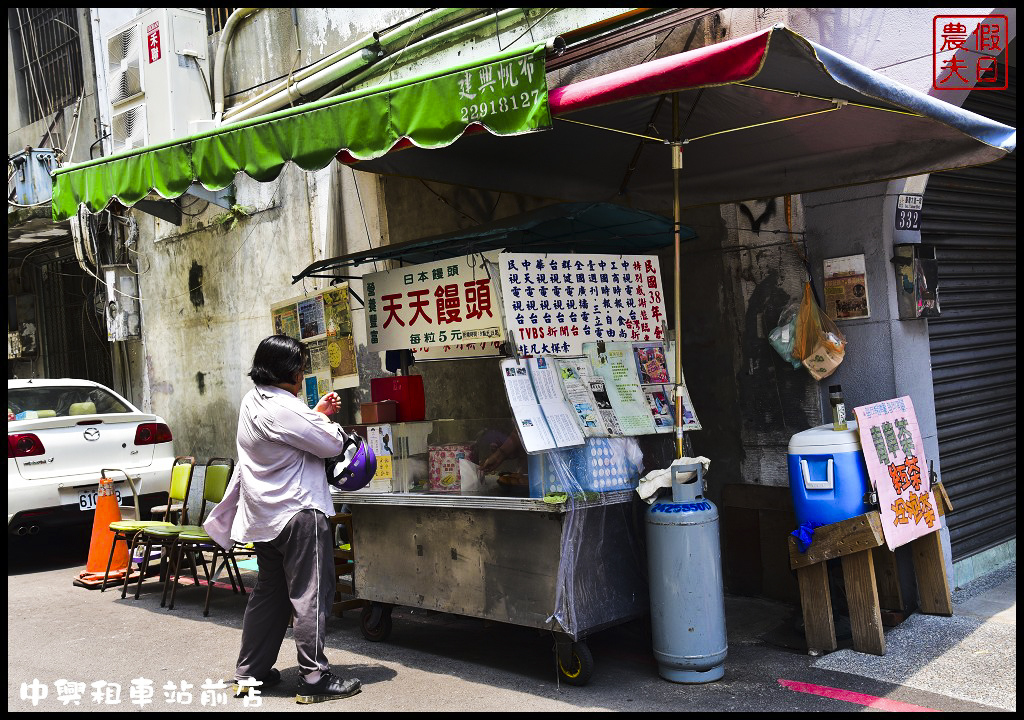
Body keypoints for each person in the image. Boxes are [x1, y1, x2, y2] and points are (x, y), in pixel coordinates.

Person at [204, 335, 360, 704]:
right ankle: (315, 677)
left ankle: (251, 672)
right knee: (310, 593)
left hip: (265, 516)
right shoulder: (284, 408)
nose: (302, 371)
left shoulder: (252, 401)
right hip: (298, 513)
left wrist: (314, 415)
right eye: (300, 366)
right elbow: (331, 444)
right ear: (290, 371)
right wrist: (320, 419)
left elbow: (297, 433)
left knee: (271, 595)